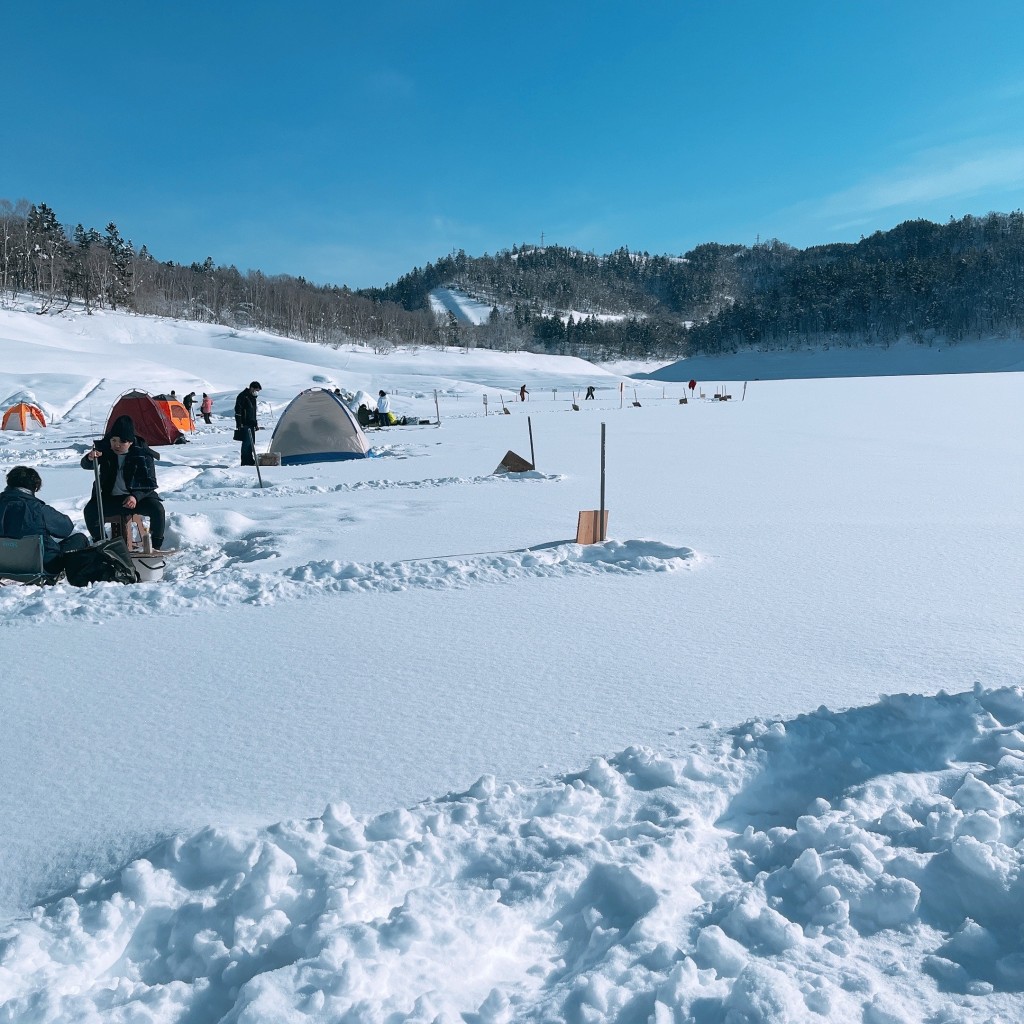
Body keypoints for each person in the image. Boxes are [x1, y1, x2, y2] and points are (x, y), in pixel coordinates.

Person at [80, 416, 166, 550]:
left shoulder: (143, 454)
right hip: (111, 498)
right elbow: (86, 465)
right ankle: (101, 543)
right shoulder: (105, 451)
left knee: (158, 510)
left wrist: (135, 496)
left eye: (122, 441)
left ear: (130, 442)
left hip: (138, 498)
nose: (116, 445)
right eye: (113, 440)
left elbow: (150, 483)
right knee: (90, 511)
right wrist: (89, 458)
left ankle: (155, 546)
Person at [0, 466, 90, 574]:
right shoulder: (39, 509)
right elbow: (66, 528)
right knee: (80, 539)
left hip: (4, 563)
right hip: (44, 565)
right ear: (35, 486)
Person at [234, 381, 262, 465]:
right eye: (256, 390)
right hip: (245, 423)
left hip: (251, 423)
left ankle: (250, 459)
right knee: (246, 443)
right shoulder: (243, 396)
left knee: (251, 443)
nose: (257, 392)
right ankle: (245, 461)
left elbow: (253, 412)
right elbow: (238, 411)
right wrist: (239, 423)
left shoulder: (252, 397)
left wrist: (255, 423)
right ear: (251, 388)